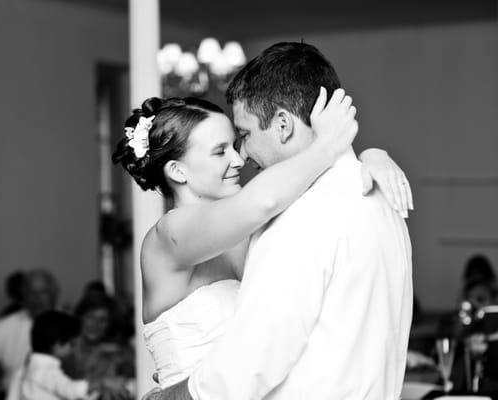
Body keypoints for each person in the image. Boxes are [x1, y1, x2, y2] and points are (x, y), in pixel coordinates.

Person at [136, 42, 413, 400]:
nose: (242, 157)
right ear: (177, 170)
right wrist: (344, 151)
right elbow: (262, 200)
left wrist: (365, 156)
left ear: (282, 124)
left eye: (242, 138)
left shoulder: (296, 217)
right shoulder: (380, 201)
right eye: (222, 150)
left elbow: (256, 356)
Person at [0, 268, 59, 392]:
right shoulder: (6, 327)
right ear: (24, 295)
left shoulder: (71, 325)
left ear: (54, 294)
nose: (37, 298)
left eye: (43, 292)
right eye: (32, 293)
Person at [6, 310, 98, 400]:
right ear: (57, 345)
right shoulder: (46, 370)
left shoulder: (23, 369)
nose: (73, 349)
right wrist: (102, 383)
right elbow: (70, 390)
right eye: (71, 344)